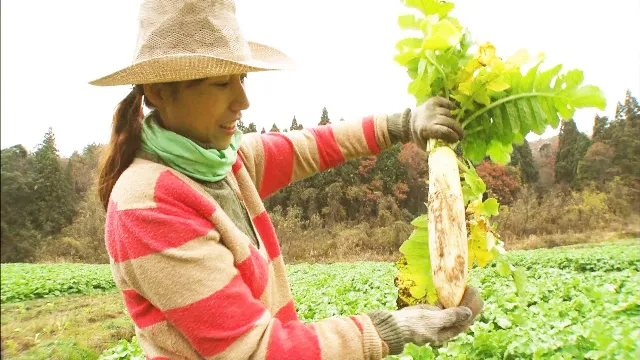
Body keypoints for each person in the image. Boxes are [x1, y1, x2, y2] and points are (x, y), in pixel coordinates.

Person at [90, 0, 483, 359]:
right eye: (221, 83)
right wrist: (392, 329)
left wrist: (403, 124)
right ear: (159, 92)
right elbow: (255, 350)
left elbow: (315, 144)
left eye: (242, 79)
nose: (242, 101)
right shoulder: (147, 206)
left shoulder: (224, 160)